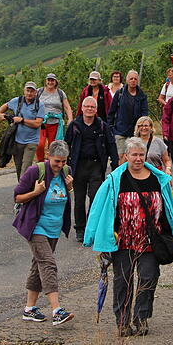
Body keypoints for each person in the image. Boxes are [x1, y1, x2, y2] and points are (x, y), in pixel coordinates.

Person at [84, 137, 173, 336]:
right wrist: (93, 236)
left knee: (149, 277)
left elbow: (168, 210)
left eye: (141, 155)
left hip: (150, 241)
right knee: (123, 281)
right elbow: (98, 209)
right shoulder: (115, 180)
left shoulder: (158, 179)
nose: (138, 159)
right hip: (123, 242)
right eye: (134, 155)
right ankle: (123, 321)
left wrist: (172, 233)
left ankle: (141, 317)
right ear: (125, 156)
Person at [13, 140, 75, 326]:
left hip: (54, 228)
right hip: (35, 226)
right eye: (57, 161)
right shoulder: (35, 171)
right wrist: (35, 191)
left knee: (38, 266)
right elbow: (17, 196)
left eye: (64, 161)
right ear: (49, 156)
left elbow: (64, 197)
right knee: (48, 264)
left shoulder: (66, 172)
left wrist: (70, 188)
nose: (60, 165)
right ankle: (57, 310)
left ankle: (29, 309)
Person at [64, 96, 119, 242]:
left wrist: (115, 165)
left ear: (96, 110)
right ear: (81, 108)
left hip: (96, 166)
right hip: (78, 166)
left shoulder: (102, 126)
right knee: (79, 199)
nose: (89, 109)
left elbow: (111, 145)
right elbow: (66, 145)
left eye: (92, 107)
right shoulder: (74, 126)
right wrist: (64, 166)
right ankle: (80, 229)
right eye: (87, 106)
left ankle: (91, 226)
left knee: (95, 198)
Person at [0, 81, 45, 177]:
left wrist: (22, 120)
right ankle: (24, 189)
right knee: (19, 168)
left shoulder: (40, 105)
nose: (29, 93)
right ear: (24, 91)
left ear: (36, 92)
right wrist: (0, 114)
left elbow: (37, 123)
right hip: (17, 140)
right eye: (27, 90)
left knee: (26, 168)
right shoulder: (17, 101)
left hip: (32, 141)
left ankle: (23, 189)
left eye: (32, 91)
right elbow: (5, 106)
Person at [108, 70, 149, 156]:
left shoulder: (142, 96)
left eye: (135, 79)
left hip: (136, 133)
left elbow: (145, 114)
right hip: (120, 132)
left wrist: (142, 128)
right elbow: (111, 112)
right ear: (127, 80)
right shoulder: (120, 94)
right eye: (131, 79)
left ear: (137, 81)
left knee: (135, 156)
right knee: (122, 157)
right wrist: (111, 128)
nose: (133, 81)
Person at [35, 73, 74, 161]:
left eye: (52, 80)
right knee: (40, 145)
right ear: (46, 81)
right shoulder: (39, 92)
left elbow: (67, 107)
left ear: (56, 82)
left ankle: (51, 164)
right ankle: (40, 163)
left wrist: (70, 119)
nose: (50, 82)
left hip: (55, 124)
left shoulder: (60, 93)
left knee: (53, 146)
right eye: (49, 80)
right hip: (42, 123)